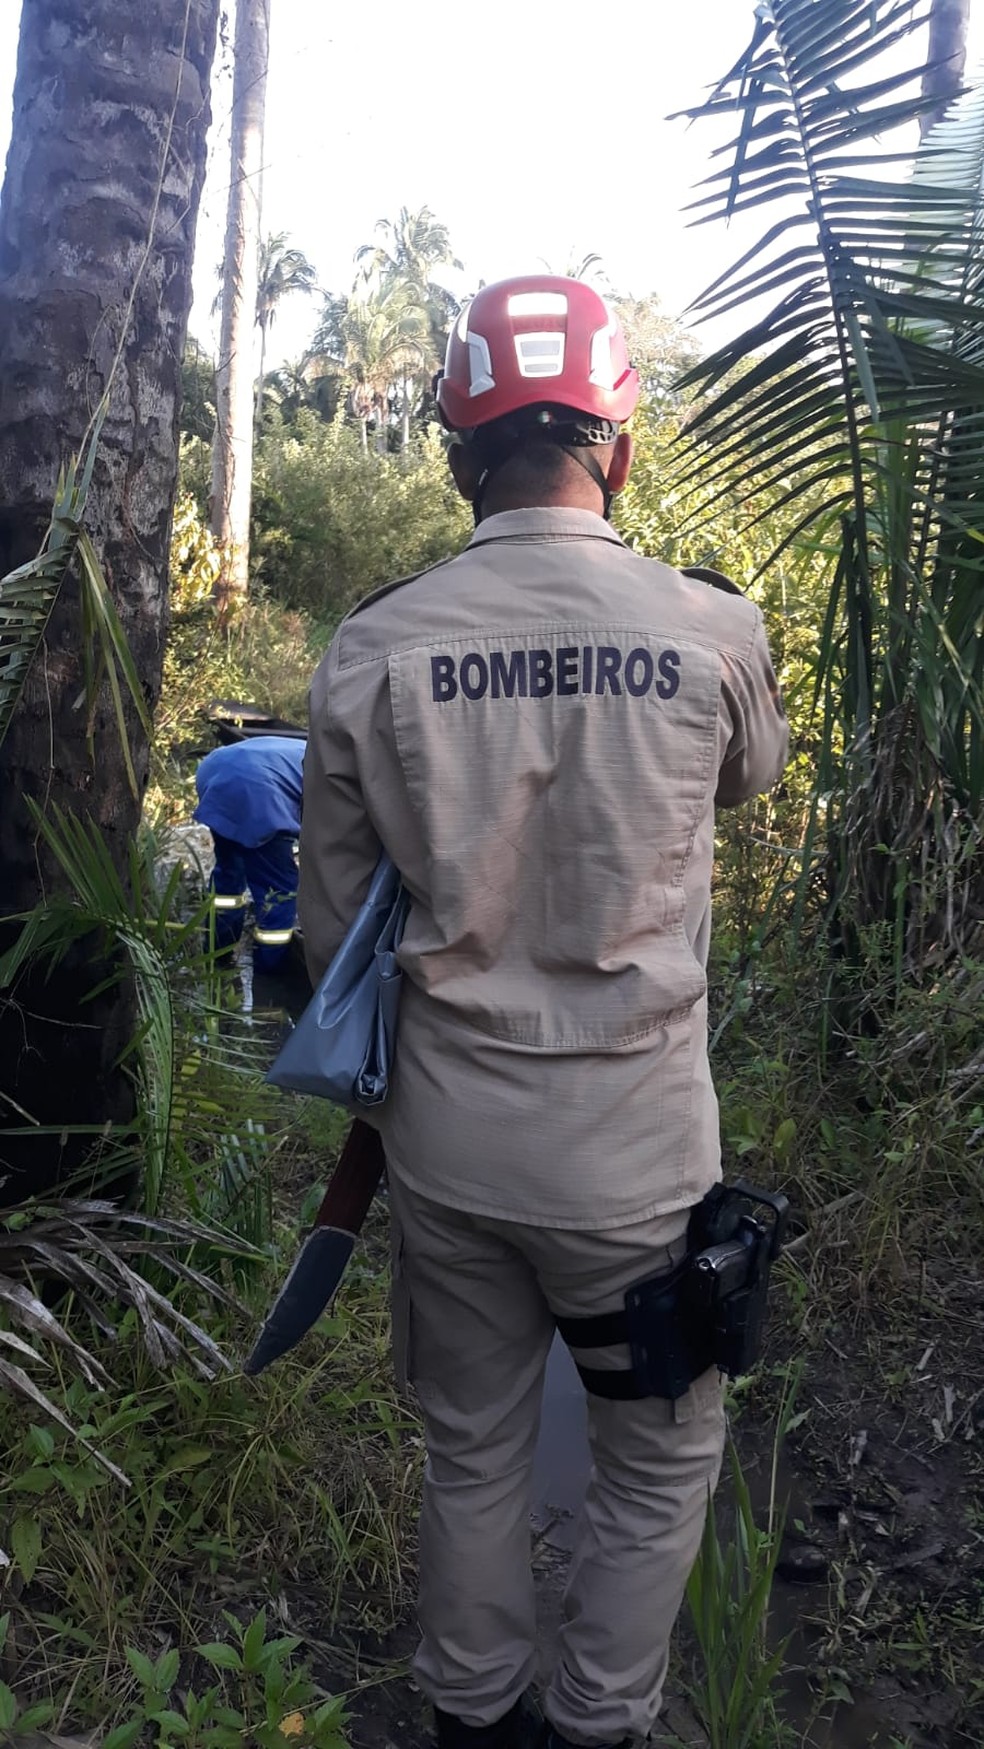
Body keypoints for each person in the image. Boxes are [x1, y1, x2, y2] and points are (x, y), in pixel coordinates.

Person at [298, 276, 789, 1749]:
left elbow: (331, 938)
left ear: (460, 454)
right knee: (657, 1457)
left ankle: (470, 1710)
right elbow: (750, 779)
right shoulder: (709, 630)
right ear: (618, 449)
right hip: (636, 1160)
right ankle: (600, 1719)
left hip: (449, 1148)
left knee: (472, 1447)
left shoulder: (374, 648)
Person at [194, 735, 305, 974]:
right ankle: (269, 972)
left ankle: (217, 955)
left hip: (214, 771)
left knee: (230, 873)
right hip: (259, 790)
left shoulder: (312, 750)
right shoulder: (337, 771)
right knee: (279, 889)